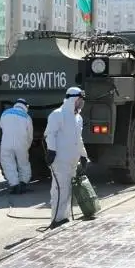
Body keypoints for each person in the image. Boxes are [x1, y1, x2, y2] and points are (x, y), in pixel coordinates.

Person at [44, 87, 88, 228]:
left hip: (72, 161)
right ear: (72, 99)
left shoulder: (78, 118)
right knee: (59, 189)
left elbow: (78, 139)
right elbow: (50, 134)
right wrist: (51, 151)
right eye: (79, 100)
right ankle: (56, 220)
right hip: (60, 160)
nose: (81, 104)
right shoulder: (57, 115)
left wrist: (83, 155)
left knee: (68, 190)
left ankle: (64, 217)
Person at [0, 98, 33, 194]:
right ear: (25, 106)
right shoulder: (27, 117)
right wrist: (27, 146)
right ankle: (23, 183)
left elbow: (1, 126)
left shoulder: (5, 113)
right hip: (21, 143)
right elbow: (30, 135)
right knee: (23, 163)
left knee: (8, 163)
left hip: (6, 143)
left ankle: (14, 185)